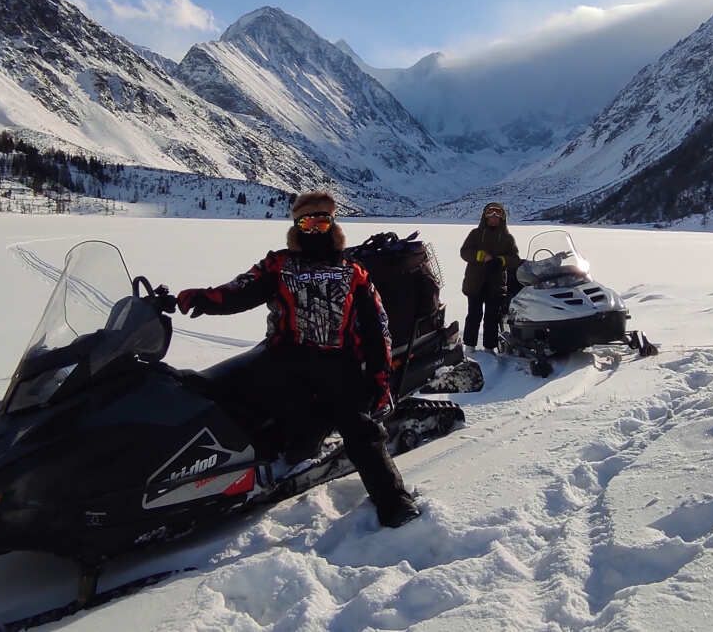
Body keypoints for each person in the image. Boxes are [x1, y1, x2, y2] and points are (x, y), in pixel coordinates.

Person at [175, 191, 421, 528]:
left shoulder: (354, 272)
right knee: (219, 389)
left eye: (322, 220)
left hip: (339, 363)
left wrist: (380, 374)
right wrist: (205, 299)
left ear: (332, 224)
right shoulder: (278, 264)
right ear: (296, 225)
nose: (315, 228)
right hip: (285, 356)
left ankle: (394, 501)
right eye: (307, 221)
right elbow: (240, 291)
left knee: (361, 430)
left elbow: (378, 327)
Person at [458, 202, 520, 351]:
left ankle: (489, 348)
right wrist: (480, 256)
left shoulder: (507, 238)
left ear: (502, 217)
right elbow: (464, 252)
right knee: (474, 315)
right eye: (490, 213)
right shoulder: (475, 234)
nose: (493, 217)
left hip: (496, 283)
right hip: (475, 282)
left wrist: (501, 260)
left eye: (497, 214)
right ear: (484, 217)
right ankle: (470, 346)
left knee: (492, 317)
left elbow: (515, 259)